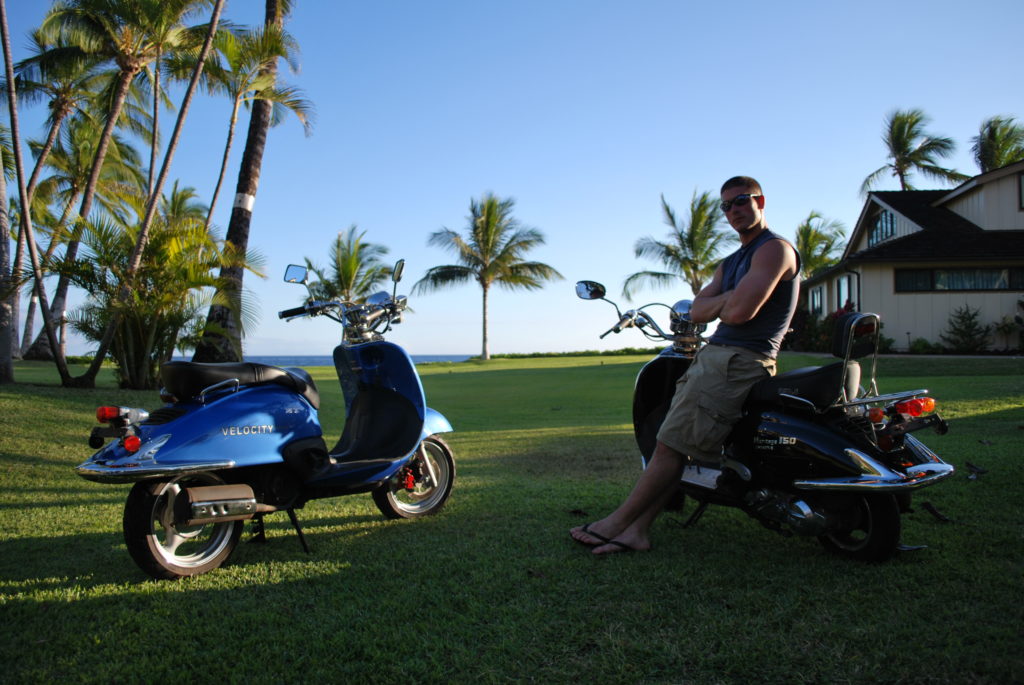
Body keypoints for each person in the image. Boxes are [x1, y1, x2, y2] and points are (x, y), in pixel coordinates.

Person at [570, 175, 800, 555]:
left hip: (738, 361)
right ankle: (637, 530)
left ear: (761, 201)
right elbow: (697, 309)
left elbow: (741, 312)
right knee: (677, 445)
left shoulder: (773, 250)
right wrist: (726, 299)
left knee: (668, 447)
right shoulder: (731, 262)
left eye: (741, 200)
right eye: (726, 205)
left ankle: (614, 524)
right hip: (716, 357)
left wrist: (723, 303)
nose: (734, 210)